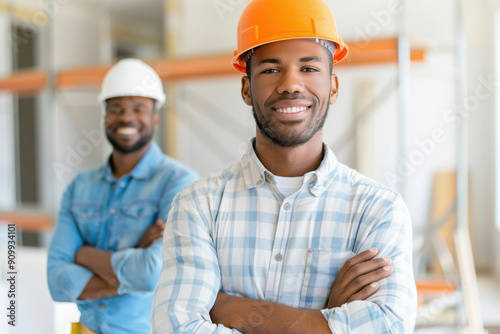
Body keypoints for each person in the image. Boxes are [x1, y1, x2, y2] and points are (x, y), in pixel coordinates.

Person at [152, 0, 417, 332]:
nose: (291, 85)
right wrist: (325, 320)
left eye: (309, 68)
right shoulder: (198, 206)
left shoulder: (378, 209)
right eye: (271, 69)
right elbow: (175, 328)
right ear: (247, 88)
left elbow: (389, 325)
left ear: (333, 87)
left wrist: (230, 308)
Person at [47, 58, 199, 334]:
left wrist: (84, 255)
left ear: (155, 117)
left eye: (138, 108)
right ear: (105, 116)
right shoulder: (79, 186)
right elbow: (56, 281)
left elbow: (151, 274)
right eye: (116, 108)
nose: (126, 117)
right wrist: (135, 254)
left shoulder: (179, 183)